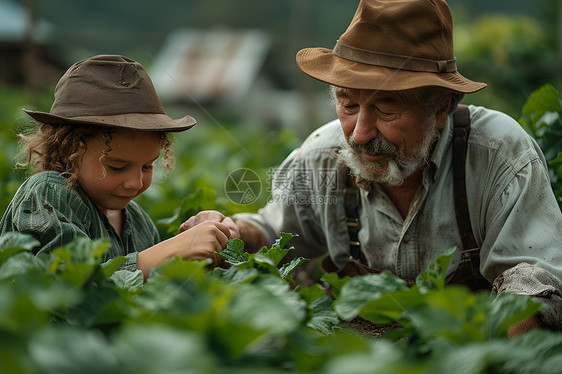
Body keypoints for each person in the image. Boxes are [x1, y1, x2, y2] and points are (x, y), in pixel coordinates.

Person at [182, 0, 562, 335]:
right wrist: (231, 231)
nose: (360, 134)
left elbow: (534, 284)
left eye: (386, 108)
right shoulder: (320, 157)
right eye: (348, 105)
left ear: (441, 107)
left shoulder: (498, 155)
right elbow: (272, 232)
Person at [0, 54, 234, 281]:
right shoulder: (48, 193)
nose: (136, 183)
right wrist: (167, 254)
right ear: (69, 152)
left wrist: (204, 251)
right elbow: (65, 287)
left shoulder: (139, 222)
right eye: (116, 167)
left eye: (147, 166)